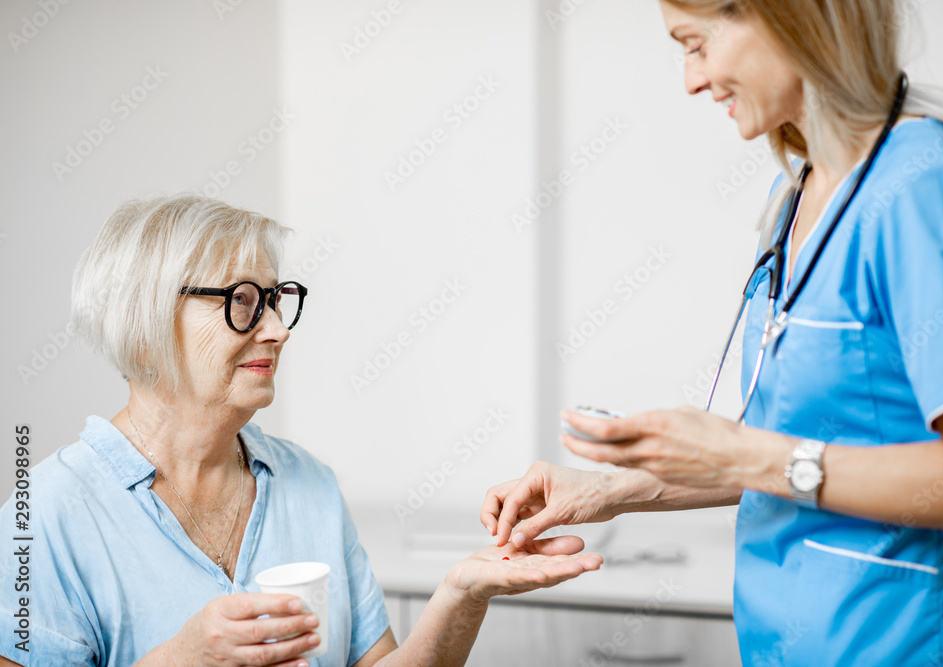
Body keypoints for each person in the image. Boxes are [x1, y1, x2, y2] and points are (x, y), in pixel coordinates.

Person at [482, 0, 943, 664]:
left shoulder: (921, 187)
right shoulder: (799, 195)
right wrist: (616, 489)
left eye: (696, 44)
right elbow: (808, 443)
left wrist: (742, 456)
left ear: (791, 18)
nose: (692, 80)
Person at [0, 194, 603, 667]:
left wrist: (462, 596)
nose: (277, 329)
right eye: (242, 301)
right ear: (143, 324)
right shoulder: (45, 512)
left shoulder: (308, 483)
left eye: (276, 298)